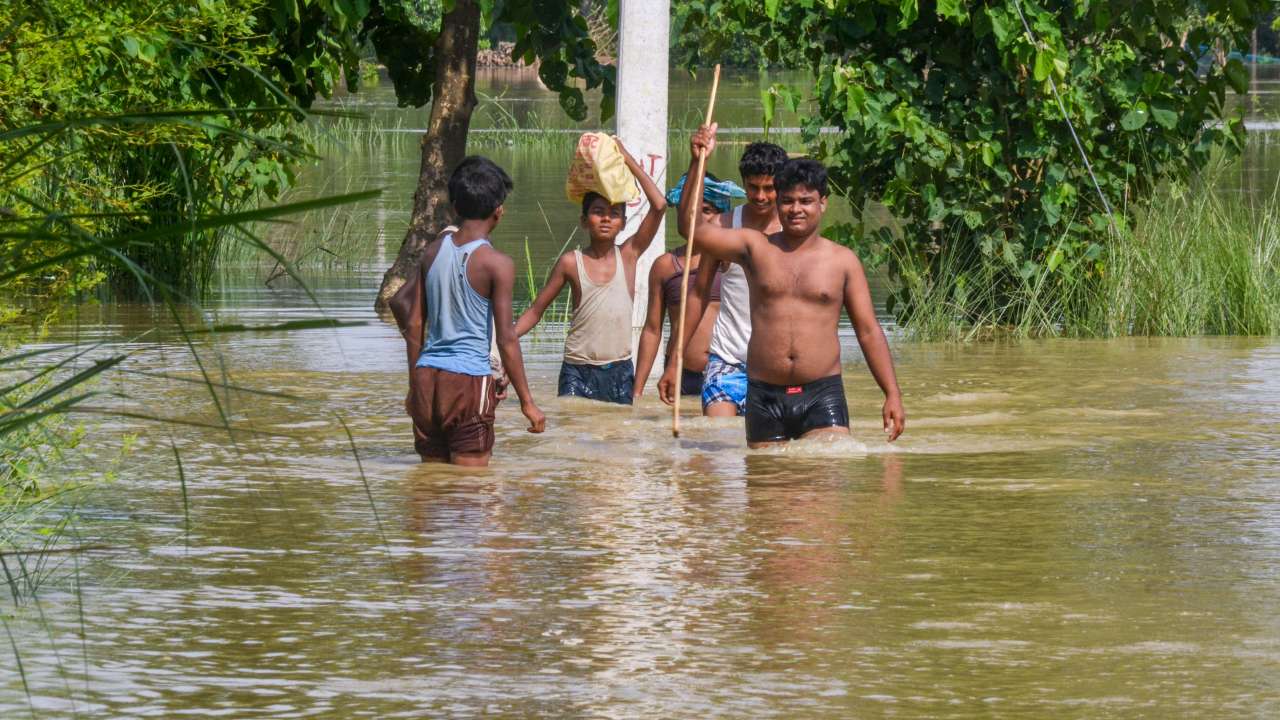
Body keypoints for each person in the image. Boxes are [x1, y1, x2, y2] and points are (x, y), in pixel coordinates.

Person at [677, 133, 906, 447]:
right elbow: (691, 229)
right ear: (778, 202)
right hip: (765, 394)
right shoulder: (754, 248)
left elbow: (868, 331)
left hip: (821, 393)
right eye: (787, 200)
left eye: (806, 201)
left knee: (824, 482)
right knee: (766, 490)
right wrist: (697, 162)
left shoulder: (843, 261)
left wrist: (891, 393)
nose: (795, 209)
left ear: (822, 203)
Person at [389, 156, 546, 466]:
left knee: (432, 488)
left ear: (456, 208)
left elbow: (414, 321)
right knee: (470, 495)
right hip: (467, 383)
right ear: (499, 211)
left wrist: (414, 387)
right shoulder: (497, 264)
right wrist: (528, 403)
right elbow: (506, 340)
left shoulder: (433, 251)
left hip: (426, 379)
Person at [515, 137, 666, 404]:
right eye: (598, 212)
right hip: (577, 371)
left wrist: (628, 159)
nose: (606, 218)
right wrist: (505, 338)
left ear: (623, 223)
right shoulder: (571, 262)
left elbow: (659, 205)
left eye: (614, 213)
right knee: (573, 435)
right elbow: (537, 311)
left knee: (615, 438)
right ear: (584, 221)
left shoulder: (628, 255)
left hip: (619, 371)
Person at [658, 135, 788, 417]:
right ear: (743, 184)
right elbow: (699, 292)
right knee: (718, 444)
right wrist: (674, 360)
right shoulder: (725, 225)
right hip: (727, 359)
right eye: (753, 188)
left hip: (775, 364)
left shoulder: (793, 230)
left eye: (769, 188)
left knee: (768, 457)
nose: (761, 196)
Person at [632, 172, 745, 401]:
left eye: (706, 210)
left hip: (730, 370)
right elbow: (653, 329)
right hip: (682, 374)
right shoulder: (666, 266)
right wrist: (638, 390)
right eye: (690, 210)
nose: (697, 218)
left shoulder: (732, 261)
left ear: (721, 215)